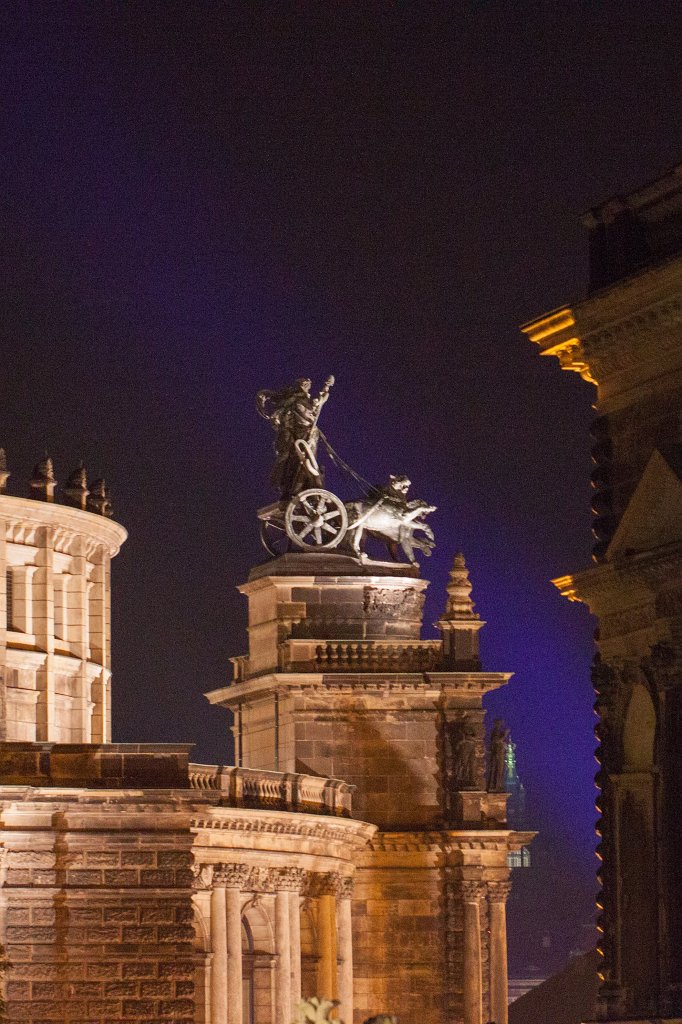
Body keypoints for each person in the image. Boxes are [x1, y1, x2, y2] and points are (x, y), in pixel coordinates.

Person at [256, 376, 334, 498]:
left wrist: (326, 389)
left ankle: (293, 488)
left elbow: (316, 405)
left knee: (296, 462)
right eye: (307, 385)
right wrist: (324, 392)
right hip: (301, 438)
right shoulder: (299, 401)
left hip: (297, 438)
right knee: (300, 462)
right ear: (302, 386)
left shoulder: (295, 401)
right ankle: (297, 489)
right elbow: (310, 411)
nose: (308, 387)